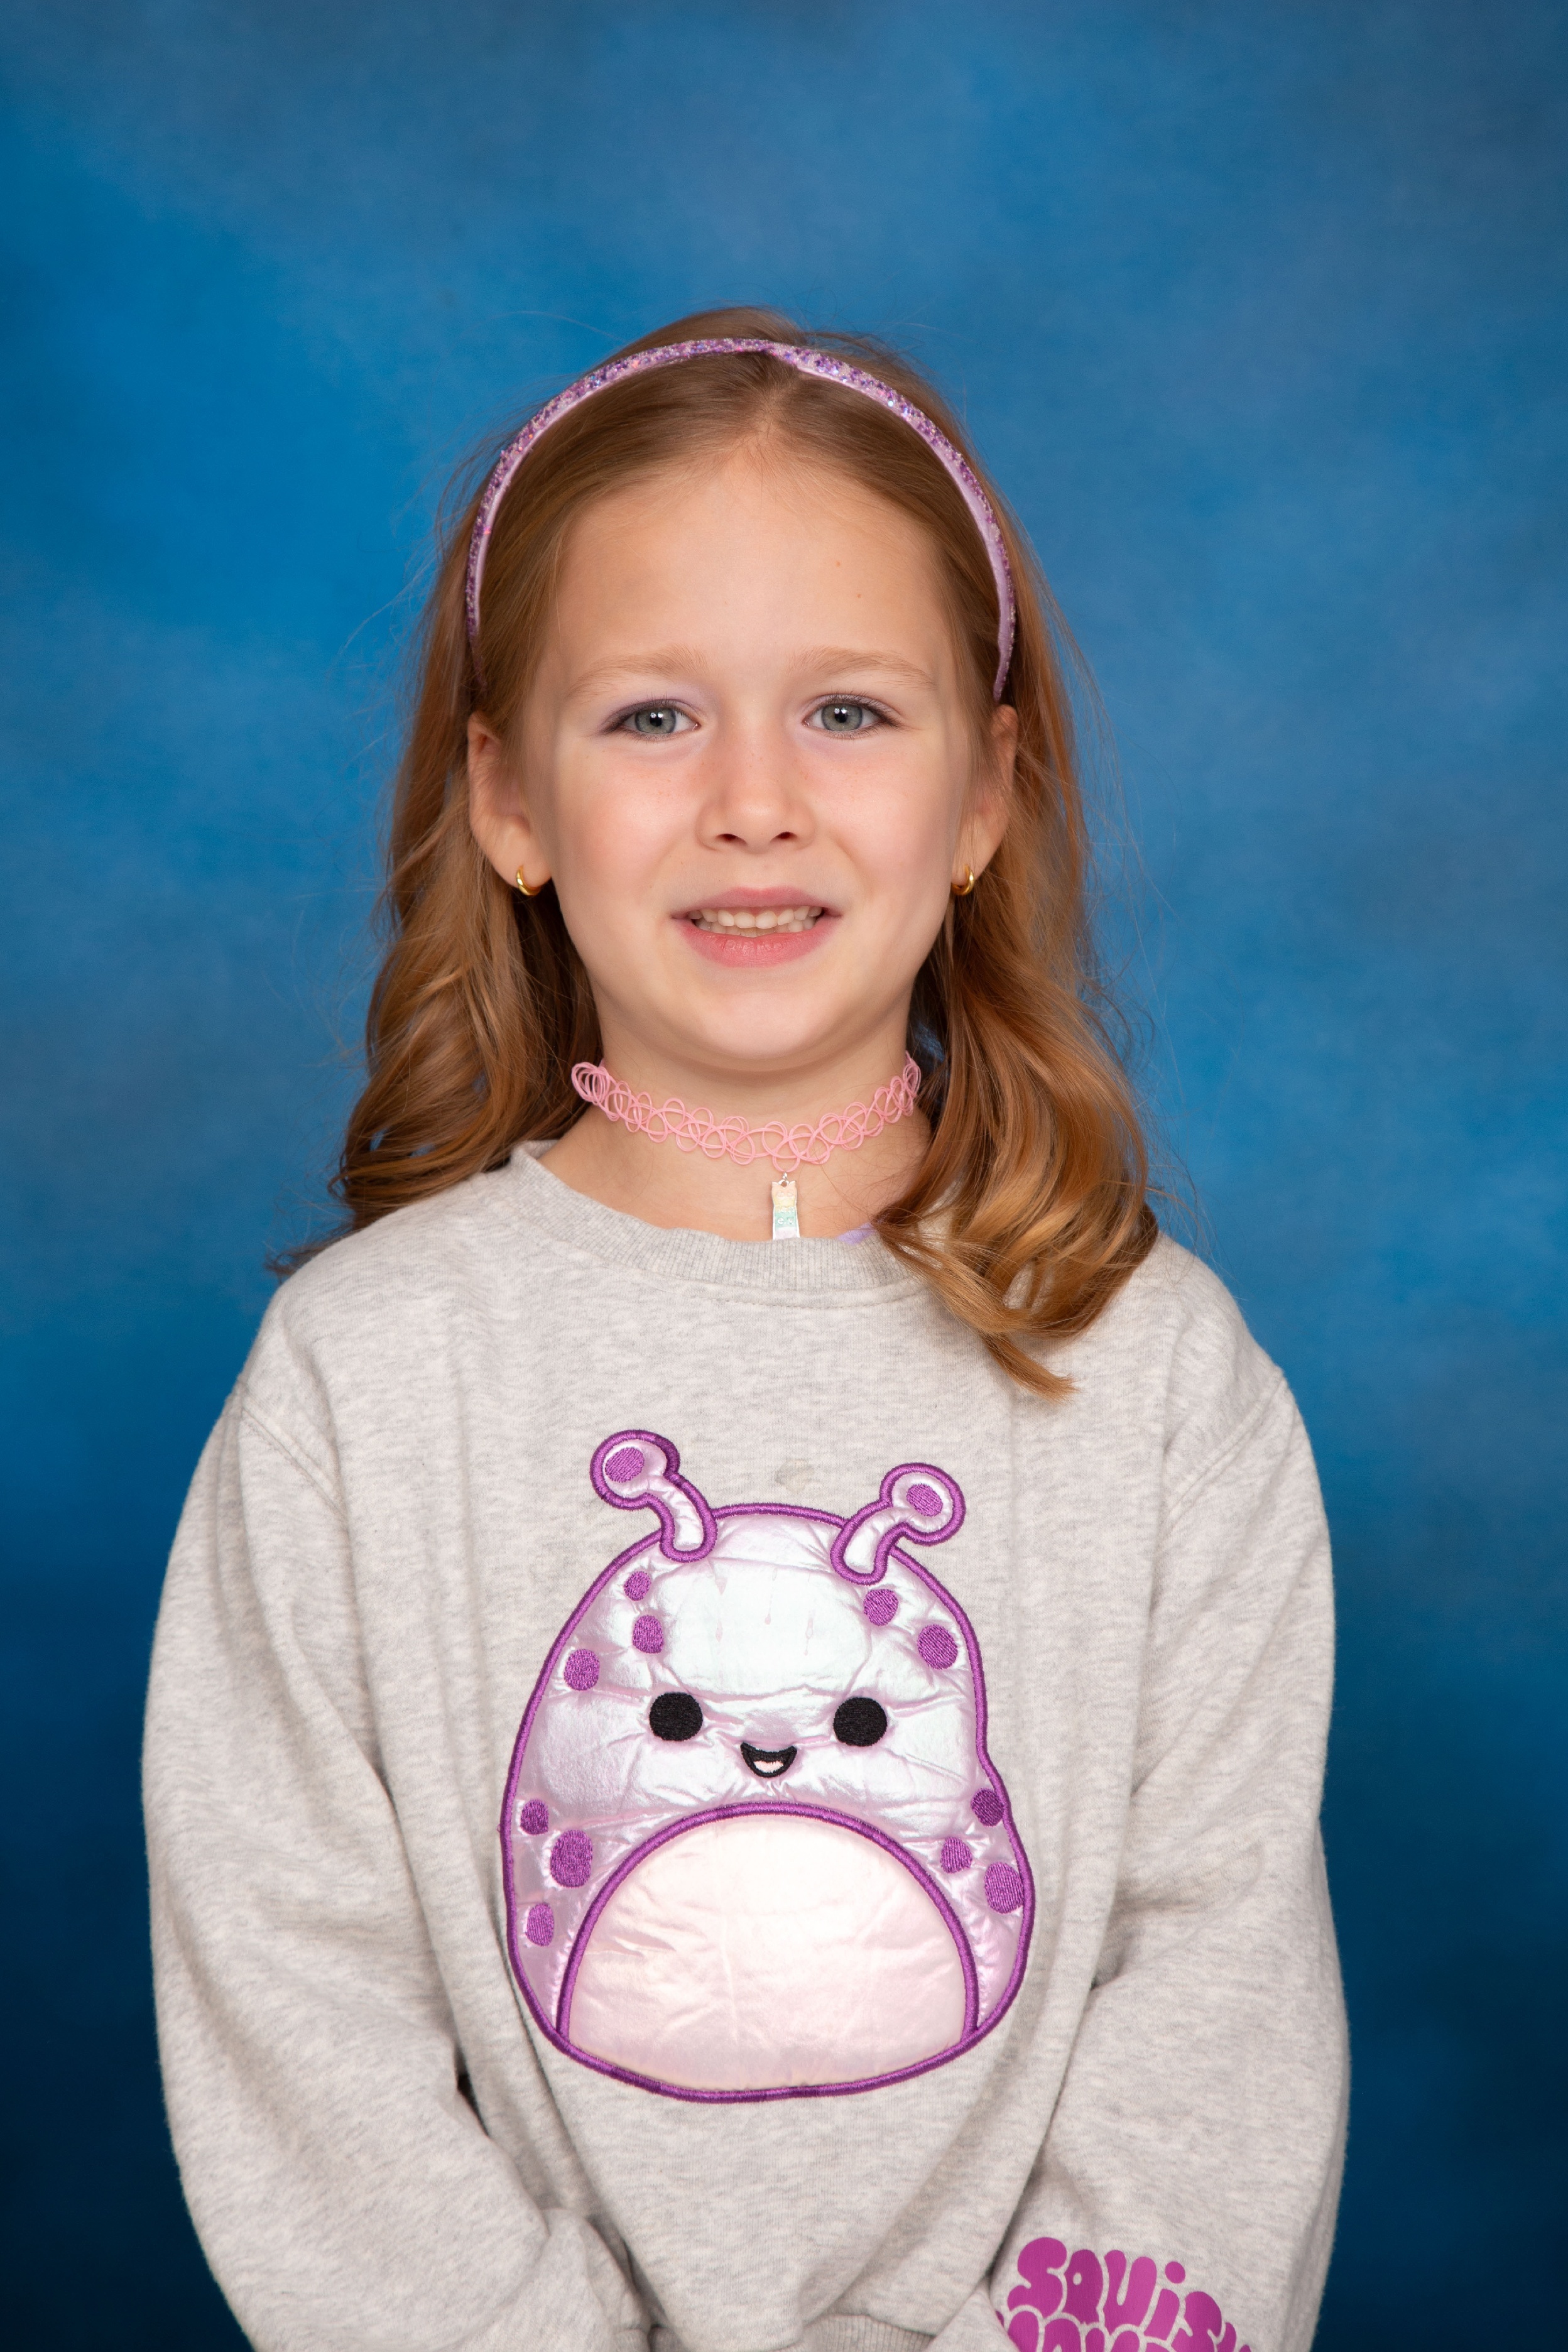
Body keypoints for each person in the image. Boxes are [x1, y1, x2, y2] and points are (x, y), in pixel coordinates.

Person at [143, 308, 1347, 2352]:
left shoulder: (1160, 1378)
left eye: (850, 712)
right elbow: (302, 2011)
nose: (756, 804)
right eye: (653, 718)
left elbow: (1213, 2018)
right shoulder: (365, 1381)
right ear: (509, 801)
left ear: (988, 793)